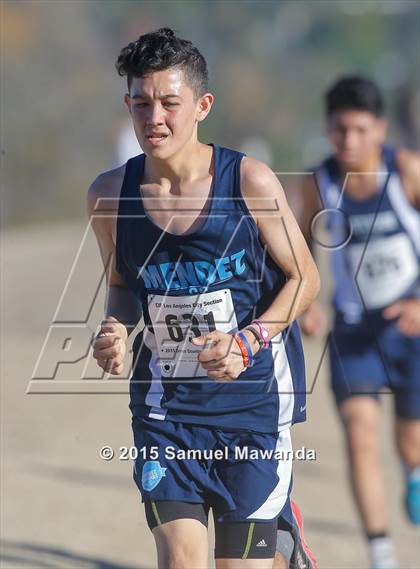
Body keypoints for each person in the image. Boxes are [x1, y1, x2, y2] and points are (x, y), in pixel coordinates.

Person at [87, 28, 320, 569]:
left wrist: (250, 339)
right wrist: (116, 330)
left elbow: (306, 279)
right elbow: (122, 289)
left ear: (202, 105)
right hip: (166, 410)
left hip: (254, 410)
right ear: (128, 105)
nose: (154, 119)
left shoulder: (249, 183)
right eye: (141, 104)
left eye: (169, 103)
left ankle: (282, 539)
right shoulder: (108, 196)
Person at [299, 75, 420, 569]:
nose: (349, 141)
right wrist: (305, 301)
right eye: (339, 130)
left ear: (380, 129)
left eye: (360, 130)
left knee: (409, 439)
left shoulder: (407, 171)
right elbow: (299, 246)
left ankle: (414, 471)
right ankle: (381, 553)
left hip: (410, 327)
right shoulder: (319, 182)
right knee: (358, 432)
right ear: (328, 129)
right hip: (352, 330)